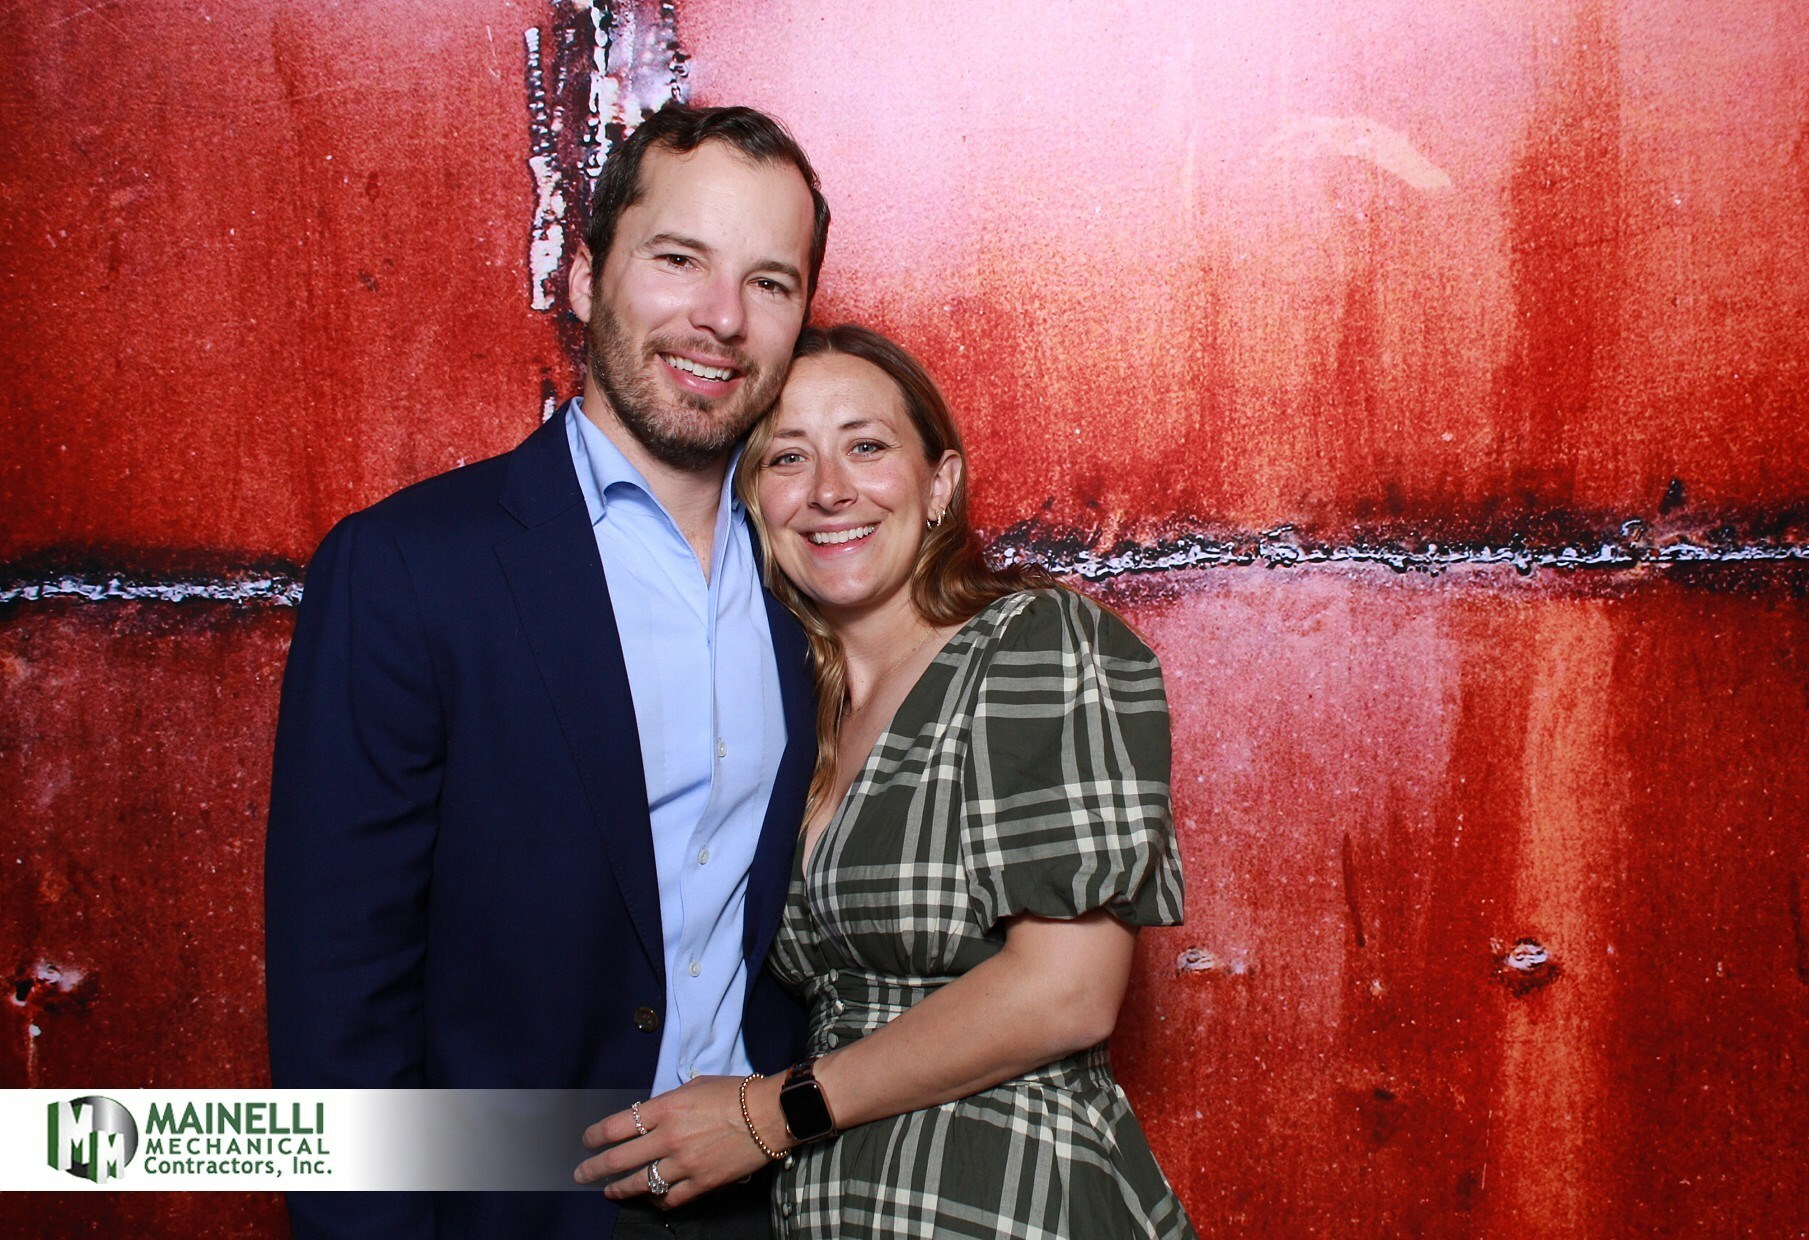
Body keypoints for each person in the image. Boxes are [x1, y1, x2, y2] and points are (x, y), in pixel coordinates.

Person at [265, 104, 830, 1240]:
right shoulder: (408, 568)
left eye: (768, 282)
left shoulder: (817, 578)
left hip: (772, 1202)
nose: (722, 317)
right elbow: (340, 995)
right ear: (583, 276)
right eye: (679, 260)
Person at [575, 324, 1196, 1239]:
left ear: (939, 484)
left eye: (866, 446)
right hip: (832, 1204)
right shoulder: (789, 716)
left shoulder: (1034, 644)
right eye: (788, 457)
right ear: (753, 501)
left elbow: (1067, 991)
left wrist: (766, 1115)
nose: (830, 490)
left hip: (1004, 1197)